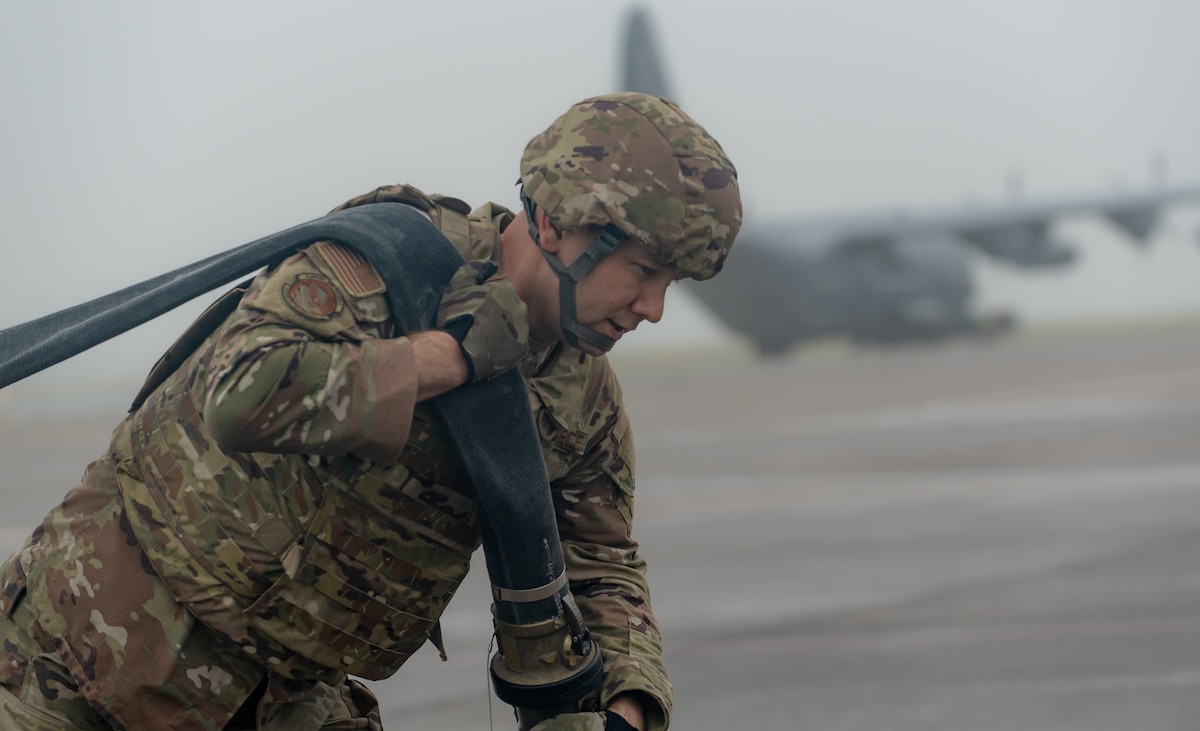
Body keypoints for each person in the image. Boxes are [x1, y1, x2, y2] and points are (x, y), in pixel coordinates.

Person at [0, 92, 741, 731]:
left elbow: (603, 564)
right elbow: (239, 391)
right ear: (554, 226)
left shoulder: (583, 399)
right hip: (85, 658)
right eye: (643, 271)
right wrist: (450, 357)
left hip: (285, 698)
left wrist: (630, 702)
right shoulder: (381, 270)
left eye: (670, 281)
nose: (653, 308)